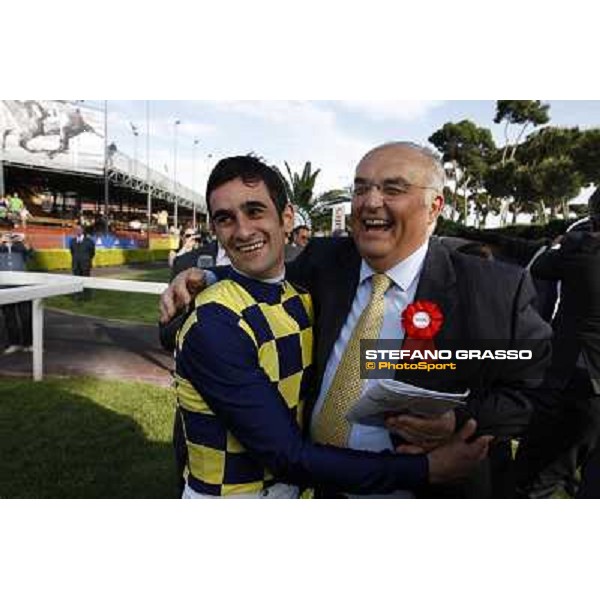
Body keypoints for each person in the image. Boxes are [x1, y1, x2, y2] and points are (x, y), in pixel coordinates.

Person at [161, 143, 551, 498]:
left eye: (393, 188)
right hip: (322, 489)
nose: (370, 202)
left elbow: (538, 390)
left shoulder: (495, 289)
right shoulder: (324, 262)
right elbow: (262, 282)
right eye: (361, 188)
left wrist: (458, 420)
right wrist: (203, 280)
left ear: (434, 206)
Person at [515, 188, 600, 498]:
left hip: (575, 382)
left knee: (534, 481)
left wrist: (560, 244)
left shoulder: (582, 251)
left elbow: (539, 266)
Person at [0, 231, 34, 354]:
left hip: (22, 286)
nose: (9, 237)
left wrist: (24, 240)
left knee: (26, 316)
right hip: (4, 287)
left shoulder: (20, 247)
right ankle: (14, 343)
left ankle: (29, 343)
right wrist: (1, 242)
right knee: (9, 317)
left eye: (11, 235)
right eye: (6, 234)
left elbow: (31, 254)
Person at [69, 224, 96, 300]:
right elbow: (72, 252)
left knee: (86, 281)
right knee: (76, 281)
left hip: (85, 265)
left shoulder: (89, 241)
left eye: (79, 229)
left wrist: (86, 260)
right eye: (76, 229)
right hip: (75, 265)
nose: (77, 231)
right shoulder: (72, 241)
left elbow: (92, 253)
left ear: (83, 231)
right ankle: (77, 296)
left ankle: (87, 296)